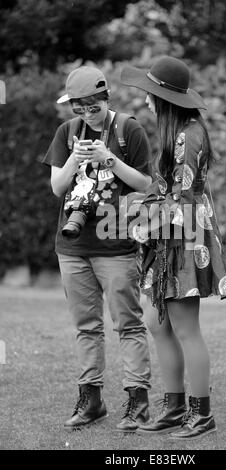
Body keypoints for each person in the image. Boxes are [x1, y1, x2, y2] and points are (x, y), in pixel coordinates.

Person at [121, 56, 226, 439]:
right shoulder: (178, 133)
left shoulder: (189, 137)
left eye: (151, 95)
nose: (147, 101)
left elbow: (182, 202)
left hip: (183, 238)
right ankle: (174, 408)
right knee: (157, 321)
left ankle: (201, 416)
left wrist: (140, 221)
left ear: (164, 100)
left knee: (186, 327)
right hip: (170, 236)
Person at [42, 65, 152, 431]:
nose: (87, 115)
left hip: (117, 244)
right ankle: (91, 400)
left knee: (128, 324)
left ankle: (138, 400)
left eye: (93, 107)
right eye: (79, 108)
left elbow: (145, 184)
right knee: (86, 326)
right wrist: (76, 156)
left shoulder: (128, 129)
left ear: (106, 98)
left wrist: (108, 158)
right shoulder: (67, 132)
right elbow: (58, 187)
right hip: (72, 246)